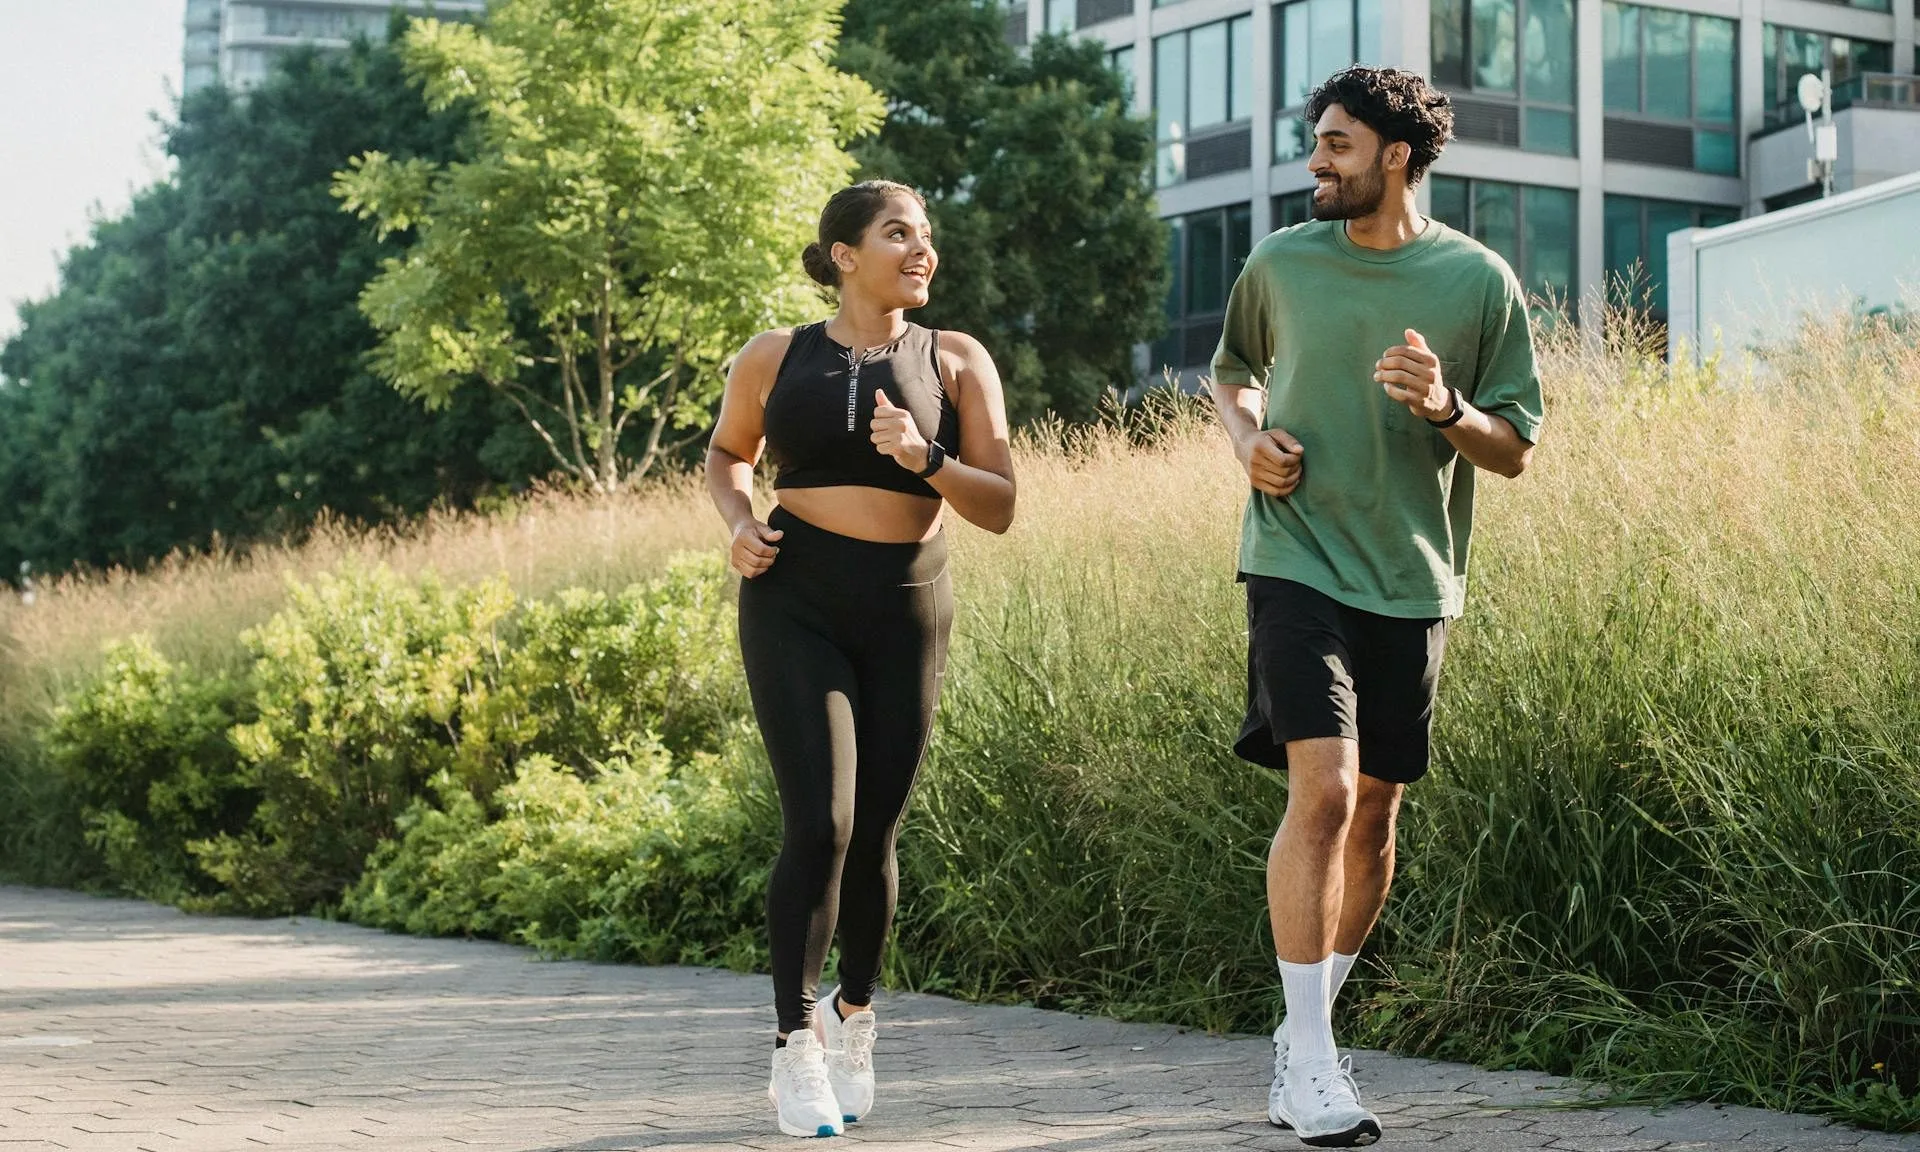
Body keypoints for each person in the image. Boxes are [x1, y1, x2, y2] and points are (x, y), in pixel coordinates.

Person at [1209, 66, 1544, 1148]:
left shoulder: (1479, 281)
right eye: (1316, 141)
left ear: (1396, 156)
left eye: (1337, 145)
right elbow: (1231, 371)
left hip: (1411, 579)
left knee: (1378, 812)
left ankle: (1301, 1031)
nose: (1316, 161)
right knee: (1326, 792)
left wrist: (1446, 406)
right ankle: (1313, 1057)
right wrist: (1247, 441)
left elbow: (1514, 449)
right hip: (1294, 559)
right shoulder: (1280, 261)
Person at [705, 180, 1016, 1139]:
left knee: (876, 829)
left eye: (926, 235)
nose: (923, 250)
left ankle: (855, 1013)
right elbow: (727, 454)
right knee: (822, 822)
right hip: (794, 598)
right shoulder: (773, 355)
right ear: (844, 254)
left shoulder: (956, 358)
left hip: (907, 605)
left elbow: (1001, 504)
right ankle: (793, 1044)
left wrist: (926, 458)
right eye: (898, 234)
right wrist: (739, 524)